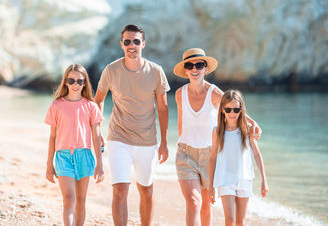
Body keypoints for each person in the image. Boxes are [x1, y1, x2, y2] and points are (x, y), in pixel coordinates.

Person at [173, 48, 261, 226]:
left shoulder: (214, 93)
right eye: (190, 65)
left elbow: (235, 107)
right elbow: (181, 122)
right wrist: (180, 143)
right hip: (185, 155)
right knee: (193, 202)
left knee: (206, 206)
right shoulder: (179, 94)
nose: (195, 69)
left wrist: (253, 123)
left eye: (199, 65)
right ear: (186, 70)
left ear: (205, 68)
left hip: (209, 156)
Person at [94, 24, 170, 226]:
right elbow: (98, 99)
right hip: (119, 138)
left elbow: (163, 108)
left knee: (146, 190)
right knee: (120, 189)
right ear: (122, 44)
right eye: (127, 41)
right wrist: (98, 130)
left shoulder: (156, 71)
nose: (131, 45)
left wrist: (164, 142)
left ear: (143, 44)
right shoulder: (111, 70)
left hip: (147, 141)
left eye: (136, 41)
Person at [45, 63, 104, 226]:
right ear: (65, 82)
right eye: (71, 81)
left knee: (81, 201)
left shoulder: (91, 106)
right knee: (69, 199)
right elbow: (52, 137)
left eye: (79, 81)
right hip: (63, 157)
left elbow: (96, 137)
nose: (75, 84)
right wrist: (49, 164)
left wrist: (100, 164)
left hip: (84, 156)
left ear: (85, 83)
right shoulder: (56, 106)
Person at [209, 90, 268, 226]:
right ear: (223, 110)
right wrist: (211, 186)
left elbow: (257, 155)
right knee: (230, 220)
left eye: (236, 109)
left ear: (241, 110)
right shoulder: (217, 131)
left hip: (244, 180)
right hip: (225, 180)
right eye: (228, 109)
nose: (232, 113)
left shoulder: (248, 130)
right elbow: (212, 158)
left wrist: (264, 180)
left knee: (240, 222)